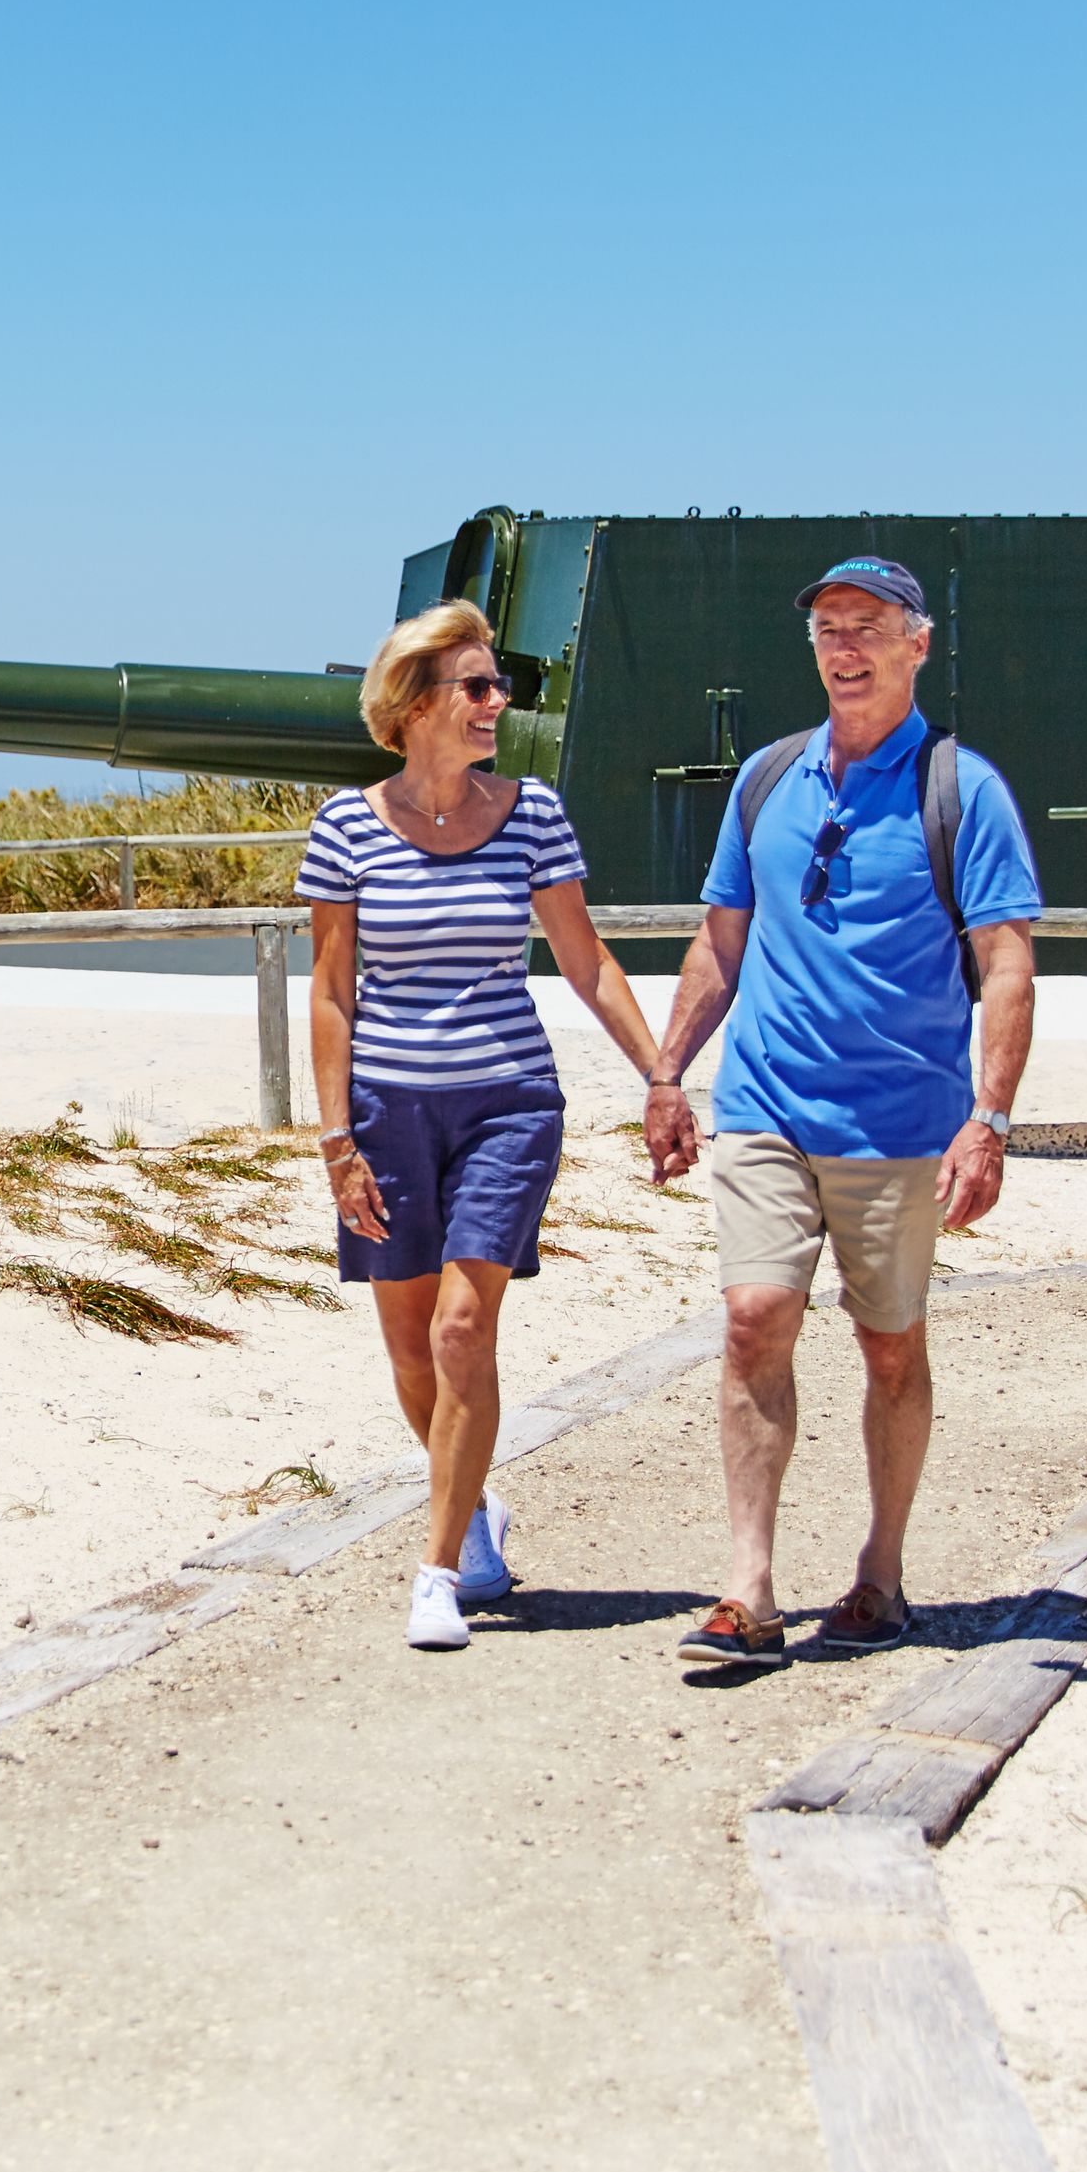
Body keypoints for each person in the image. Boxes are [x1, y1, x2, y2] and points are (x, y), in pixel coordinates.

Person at [639, 556, 1043, 1668]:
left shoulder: (964, 793)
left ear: (918, 645)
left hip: (903, 1126)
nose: (842, 645)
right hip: (765, 1105)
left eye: (866, 625)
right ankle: (749, 1590)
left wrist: (990, 1120)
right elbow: (722, 938)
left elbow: (1006, 966)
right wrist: (670, 1072)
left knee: (889, 1349)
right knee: (753, 1319)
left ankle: (881, 1572)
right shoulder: (769, 779)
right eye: (826, 626)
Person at [304, 598, 682, 1651]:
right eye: (476, 687)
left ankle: (435, 1571)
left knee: (465, 1329)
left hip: (508, 1104)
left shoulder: (533, 814)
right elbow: (332, 995)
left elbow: (585, 959)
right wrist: (336, 1140)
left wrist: (661, 1073)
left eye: (497, 686)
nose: (496, 704)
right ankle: (471, 1513)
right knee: (413, 1352)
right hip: (383, 1113)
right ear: (416, 702)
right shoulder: (345, 828)